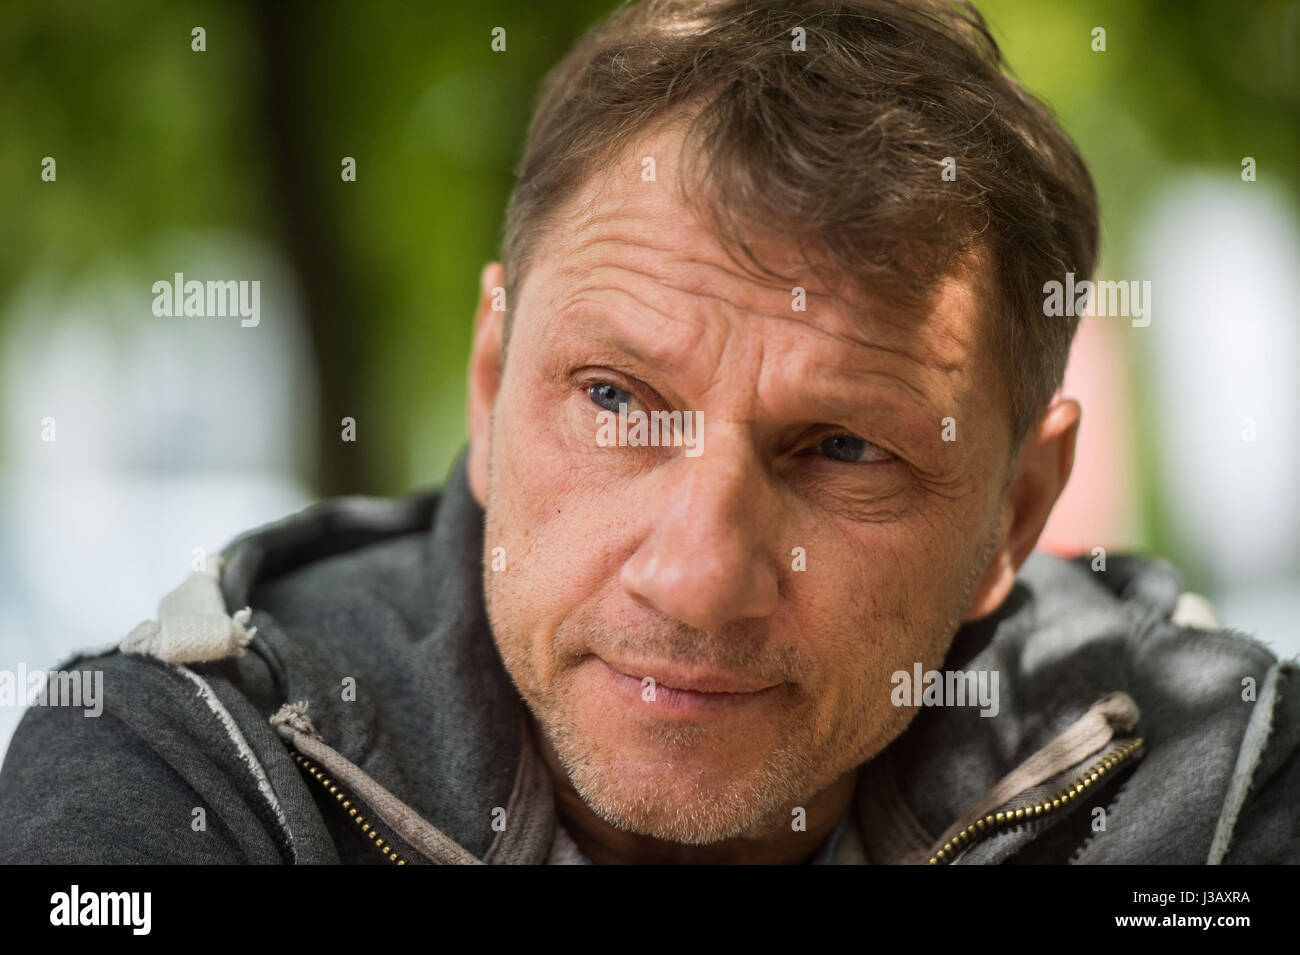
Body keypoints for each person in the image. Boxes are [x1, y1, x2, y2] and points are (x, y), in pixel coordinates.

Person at [1, 0, 1294, 865]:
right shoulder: (183, 767)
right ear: (494, 384)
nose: (694, 575)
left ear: (1015, 513)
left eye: (845, 448)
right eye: (616, 399)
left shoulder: (1215, 784)